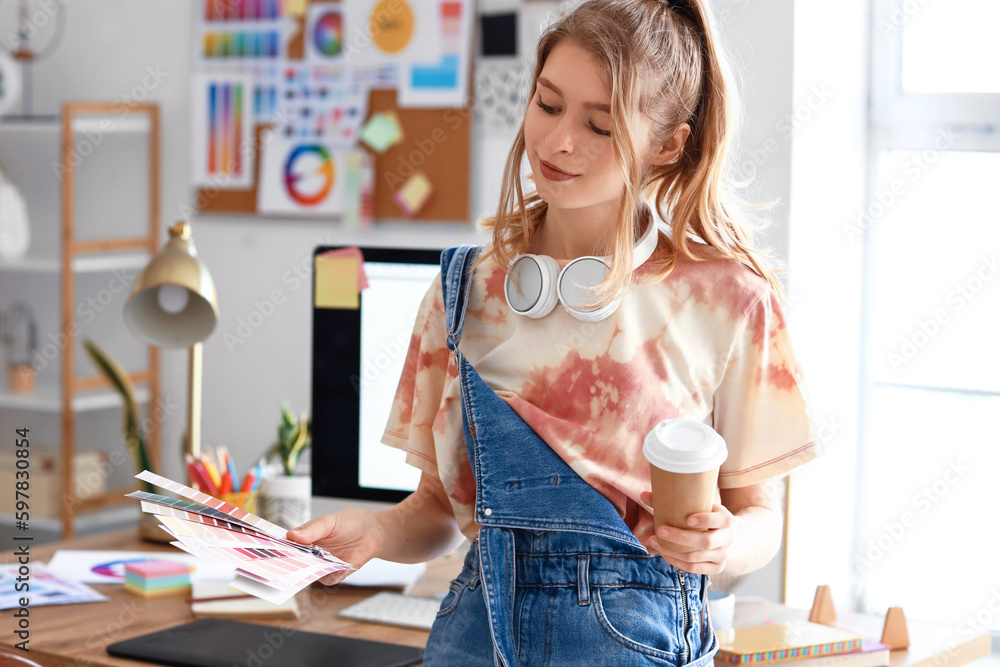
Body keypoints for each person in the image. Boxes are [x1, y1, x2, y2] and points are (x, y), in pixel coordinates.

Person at [288, 0, 822, 664]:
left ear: (667, 145)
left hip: (633, 639)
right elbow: (436, 509)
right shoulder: (463, 289)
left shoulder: (729, 299)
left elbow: (760, 517)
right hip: (470, 637)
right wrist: (371, 530)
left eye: (598, 125)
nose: (558, 141)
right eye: (547, 105)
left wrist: (722, 543)